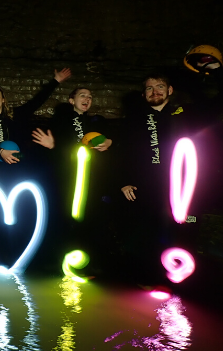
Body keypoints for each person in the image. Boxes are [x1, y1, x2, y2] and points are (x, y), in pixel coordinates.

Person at [0, 69, 71, 268]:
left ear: (3, 98)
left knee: (17, 212)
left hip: (16, 173)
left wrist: (55, 81)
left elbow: (36, 101)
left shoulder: (16, 115)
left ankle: (16, 254)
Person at [116, 74, 196, 281]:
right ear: (144, 94)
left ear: (170, 90)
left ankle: (177, 278)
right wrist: (124, 181)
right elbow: (123, 151)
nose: (155, 91)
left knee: (178, 233)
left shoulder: (185, 115)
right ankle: (146, 280)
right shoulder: (134, 120)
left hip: (179, 189)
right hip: (145, 188)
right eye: (150, 88)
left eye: (160, 86)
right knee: (144, 235)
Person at [31, 87, 115, 268]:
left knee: (89, 222)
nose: (87, 99)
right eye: (82, 95)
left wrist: (109, 142)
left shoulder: (94, 122)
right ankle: (59, 262)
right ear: (71, 100)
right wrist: (53, 146)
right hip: (66, 180)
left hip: (90, 180)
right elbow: (52, 155)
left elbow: (110, 142)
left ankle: (85, 262)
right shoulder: (61, 120)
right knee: (65, 220)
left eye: (90, 96)